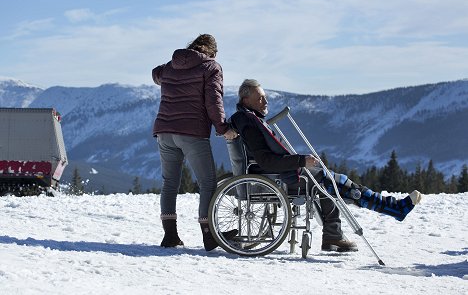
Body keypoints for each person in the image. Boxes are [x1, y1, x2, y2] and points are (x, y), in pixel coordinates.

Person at [228, 79, 422, 252]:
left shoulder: (249, 120)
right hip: (277, 179)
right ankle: (388, 210)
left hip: (279, 175)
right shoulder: (250, 124)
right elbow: (266, 161)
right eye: (260, 98)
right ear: (246, 100)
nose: (266, 101)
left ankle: (335, 234)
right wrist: (301, 161)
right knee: (333, 182)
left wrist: (300, 162)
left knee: (333, 180)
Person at [152, 34, 237, 251]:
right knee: (207, 183)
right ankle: (209, 236)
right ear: (212, 51)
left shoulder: (171, 65)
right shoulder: (211, 68)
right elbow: (213, 100)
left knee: (170, 182)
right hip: (191, 132)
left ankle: (170, 235)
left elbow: (156, 73)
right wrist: (223, 128)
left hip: (164, 131)